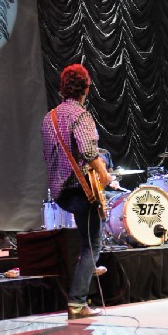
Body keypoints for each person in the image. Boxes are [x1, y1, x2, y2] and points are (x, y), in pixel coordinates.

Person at [41, 64, 113, 320]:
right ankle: (77, 303)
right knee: (92, 244)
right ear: (86, 89)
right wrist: (105, 176)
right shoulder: (81, 115)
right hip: (81, 188)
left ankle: (87, 273)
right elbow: (88, 152)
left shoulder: (48, 118)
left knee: (87, 243)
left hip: (61, 192)